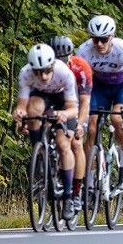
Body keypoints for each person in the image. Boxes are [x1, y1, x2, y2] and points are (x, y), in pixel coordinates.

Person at [15, 44, 81, 219]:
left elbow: (73, 109)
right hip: (41, 97)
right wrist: (19, 114)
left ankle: (68, 196)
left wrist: (64, 114)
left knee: (63, 144)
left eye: (46, 71)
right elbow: (22, 105)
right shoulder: (25, 73)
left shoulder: (64, 73)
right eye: (38, 72)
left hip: (63, 101)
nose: (43, 76)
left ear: (52, 65)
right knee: (32, 109)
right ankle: (39, 150)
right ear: (32, 69)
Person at [76, 14, 123, 190]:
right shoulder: (84, 51)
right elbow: (79, 87)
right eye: (95, 39)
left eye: (104, 39)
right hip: (98, 87)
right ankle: (89, 183)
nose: (99, 44)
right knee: (92, 129)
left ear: (112, 36)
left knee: (118, 119)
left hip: (120, 88)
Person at [49, 35, 92, 202]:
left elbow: (84, 102)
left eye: (63, 60)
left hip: (77, 103)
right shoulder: (46, 68)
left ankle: (76, 190)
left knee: (76, 142)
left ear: (70, 56)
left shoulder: (81, 68)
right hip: (56, 101)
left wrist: (79, 124)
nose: (60, 64)